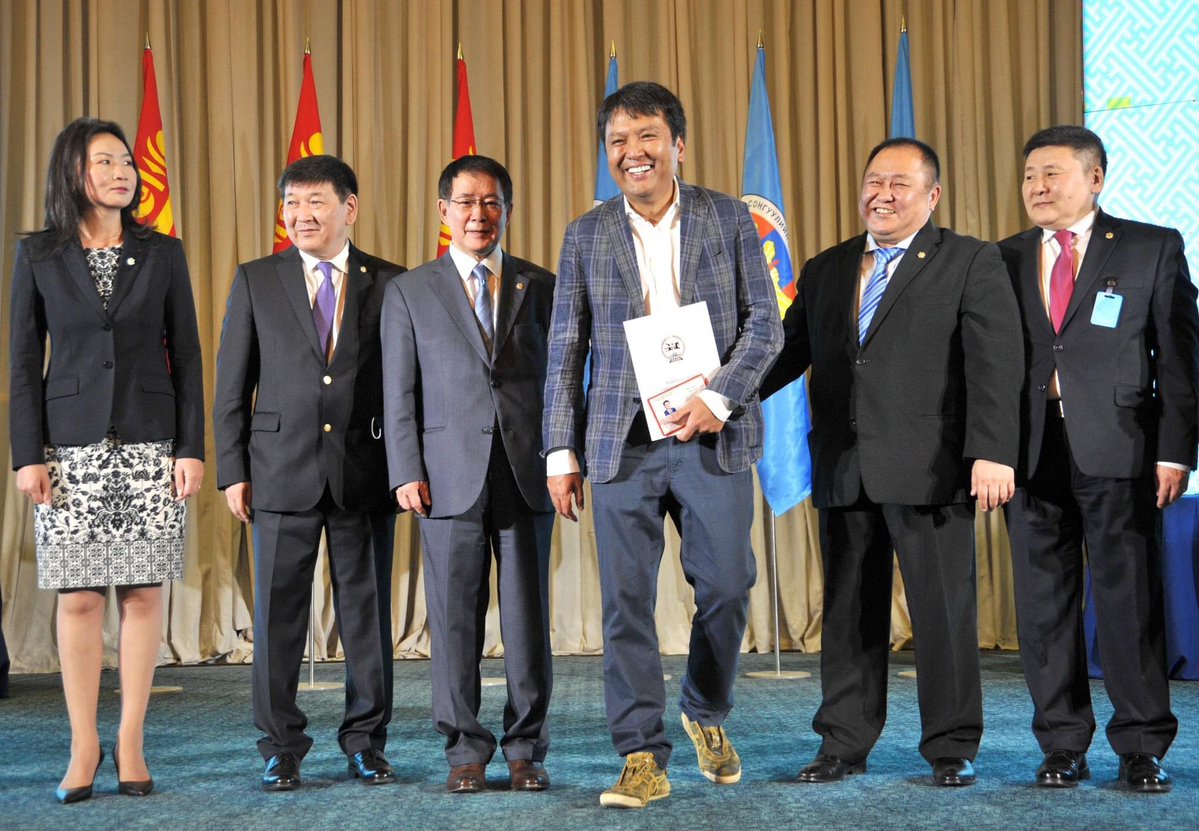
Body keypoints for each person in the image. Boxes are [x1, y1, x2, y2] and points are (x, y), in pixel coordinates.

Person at [542, 81, 782, 809]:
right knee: (625, 603)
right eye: (617, 140)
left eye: (646, 136)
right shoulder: (585, 234)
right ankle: (641, 753)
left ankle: (704, 710)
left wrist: (719, 398)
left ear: (677, 144)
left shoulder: (729, 217)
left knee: (728, 585)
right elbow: (565, 348)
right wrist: (560, 451)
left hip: (712, 434)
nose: (631, 152)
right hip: (621, 443)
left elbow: (765, 324)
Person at [762, 138, 1023, 787]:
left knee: (942, 614)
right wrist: (716, 395)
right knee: (848, 613)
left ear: (932, 195)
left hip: (933, 466)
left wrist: (993, 451)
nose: (881, 194)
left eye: (898, 184)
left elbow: (994, 365)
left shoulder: (970, 260)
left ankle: (951, 745)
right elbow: (785, 352)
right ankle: (842, 743)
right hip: (844, 466)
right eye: (873, 181)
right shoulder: (826, 268)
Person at [8, 117, 205, 802]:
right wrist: (27, 454)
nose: (122, 172)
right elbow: (24, 360)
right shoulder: (38, 254)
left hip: (150, 443)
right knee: (81, 597)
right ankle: (83, 745)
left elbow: (188, 354)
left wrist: (190, 447)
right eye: (105, 161)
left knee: (144, 594)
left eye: (126, 161)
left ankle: (131, 742)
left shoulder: (162, 251)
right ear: (73, 171)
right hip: (69, 448)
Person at [999, 125, 1199, 793]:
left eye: (1051, 173)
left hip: (1121, 447)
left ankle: (1141, 744)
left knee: (1128, 601)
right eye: (1030, 175)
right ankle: (1061, 744)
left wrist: (1175, 451)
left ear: (1095, 178)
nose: (1037, 186)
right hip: (1030, 452)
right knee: (1042, 607)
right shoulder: (1003, 257)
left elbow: (1178, 360)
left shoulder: (1150, 246)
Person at [213, 154, 402, 791]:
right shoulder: (257, 279)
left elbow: (405, 387)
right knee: (278, 619)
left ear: (350, 208)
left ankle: (366, 742)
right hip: (277, 472)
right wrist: (233, 469)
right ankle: (280, 746)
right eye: (291, 203)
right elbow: (232, 384)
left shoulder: (390, 282)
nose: (301, 215)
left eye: (315, 201)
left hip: (364, 472)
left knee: (367, 618)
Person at [381, 155, 555, 794]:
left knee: (527, 620)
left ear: (507, 209)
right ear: (443, 211)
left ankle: (526, 749)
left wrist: (564, 458)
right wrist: (405, 469)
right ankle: (464, 752)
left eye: (491, 202)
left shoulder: (541, 285)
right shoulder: (409, 291)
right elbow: (398, 391)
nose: (479, 214)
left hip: (526, 472)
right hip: (444, 477)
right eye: (466, 202)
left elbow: (561, 382)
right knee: (454, 620)